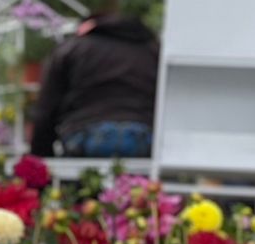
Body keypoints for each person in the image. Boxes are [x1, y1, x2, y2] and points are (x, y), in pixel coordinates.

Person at [30, 14, 159, 158]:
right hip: (142, 136)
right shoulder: (153, 51)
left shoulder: (71, 48)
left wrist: (40, 161)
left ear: (87, 27)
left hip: (83, 134)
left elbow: (45, 111)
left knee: (83, 177)